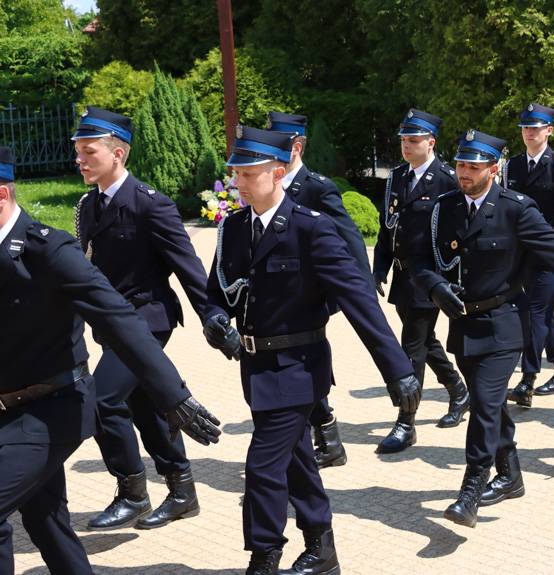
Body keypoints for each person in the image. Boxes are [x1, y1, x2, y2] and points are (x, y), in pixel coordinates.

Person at [203, 126, 420, 574]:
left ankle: (264, 556)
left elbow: (360, 302)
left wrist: (397, 369)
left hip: (299, 369)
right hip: (257, 369)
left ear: (278, 172)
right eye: (236, 174)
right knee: (297, 461)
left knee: (263, 466)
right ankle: (322, 550)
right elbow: (216, 293)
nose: (239, 183)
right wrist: (215, 321)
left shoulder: (311, 229)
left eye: (249, 174)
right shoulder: (235, 229)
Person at [0, 145, 220, 574]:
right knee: (46, 520)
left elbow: (120, 318)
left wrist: (173, 395)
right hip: (8, 411)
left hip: (53, 408)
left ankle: (145, 488)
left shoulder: (49, 251)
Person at [411, 129, 554, 527]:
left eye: (474, 167)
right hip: (464, 325)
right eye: (460, 165)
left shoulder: (516, 209)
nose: (464, 173)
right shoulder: (445, 208)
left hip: (504, 325)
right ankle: (510, 475)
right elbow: (418, 259)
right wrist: (436, 287)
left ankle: (472, 487)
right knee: (488, 404)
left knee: (485, 405)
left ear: (494, 169)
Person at [72, 107, 211, 531]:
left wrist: (213, 316)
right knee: (145, 405)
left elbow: (188, 267)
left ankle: (132, 491)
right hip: (111, 325)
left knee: (102, 401)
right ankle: (182, 491)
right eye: (78, 152)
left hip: (147, 320)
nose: (80, 160)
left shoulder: (150, 204)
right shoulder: (88, 205)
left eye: (89, 152)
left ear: (118, 153)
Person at [266, 111, 373, 468]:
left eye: (278, 145)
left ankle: (323, 439)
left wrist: (361, 293)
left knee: (299, 363)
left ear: (296, 147)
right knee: (291, 367)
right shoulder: (265, 180)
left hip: (306, 295)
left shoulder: (316, 187)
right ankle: (326, 439)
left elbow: (350, 238)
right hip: (272, 295)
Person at [372, 109, 468, 454]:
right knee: (424, 341)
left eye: (413, 140)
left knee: (411, 347)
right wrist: (378, 269)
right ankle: (458, 389)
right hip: (403, 276)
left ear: (431, 143)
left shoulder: (446, 179)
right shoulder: (397, 176)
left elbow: (459, 233)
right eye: (403, 140)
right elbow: (388, 227)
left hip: (430, 280)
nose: (406, 146)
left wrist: (450, 277)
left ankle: (406, 421)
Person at [504, 103, 554, 407]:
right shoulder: (512, 166)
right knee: (543, 311)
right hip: (521, 253)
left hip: (550, 253)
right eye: (525, 128)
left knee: (534, 311)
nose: (529, 133)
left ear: (548, 131)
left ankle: (527, 379)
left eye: (535, 128)